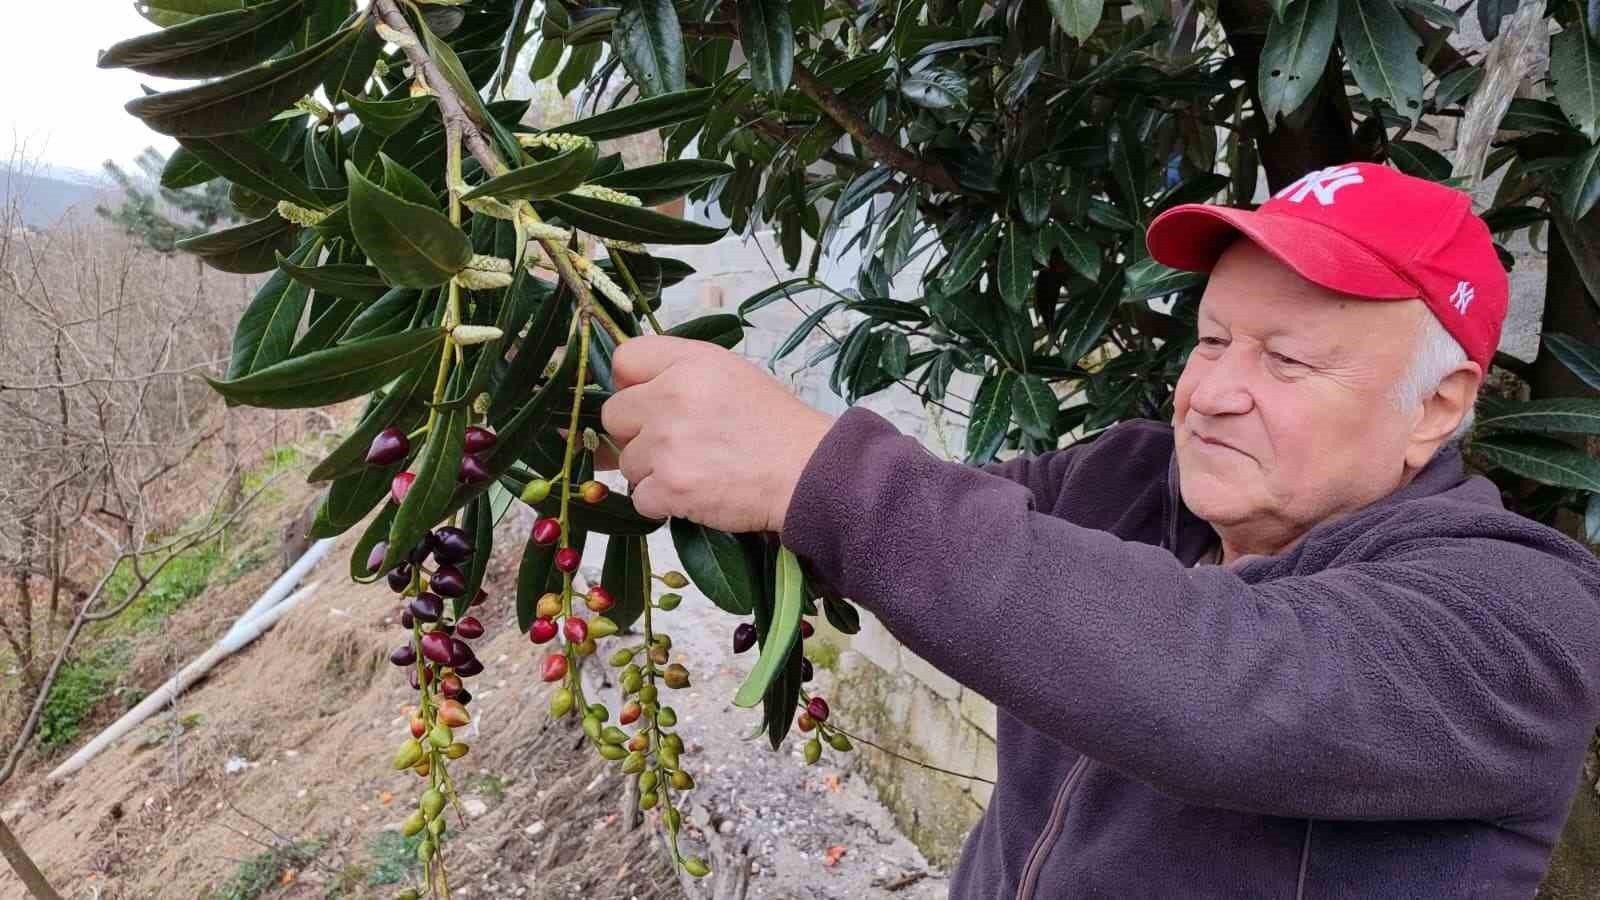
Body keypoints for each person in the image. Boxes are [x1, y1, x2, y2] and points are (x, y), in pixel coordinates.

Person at [598, 162, 1600, 897]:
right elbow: (947, 535)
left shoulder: (1517, 622)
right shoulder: (1128, 480)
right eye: (1210, 341)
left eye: (1284, 362)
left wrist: (816, 469)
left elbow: (1222, 682)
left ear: (1435, 407)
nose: (1210, 393)